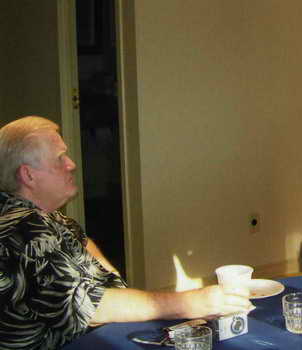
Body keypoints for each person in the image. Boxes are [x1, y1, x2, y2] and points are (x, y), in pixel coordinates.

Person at [0, 116, 251, 350]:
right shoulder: (22, 229)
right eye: (59, 158)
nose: (71, 164)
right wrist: (190, 303)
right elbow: (89, 306)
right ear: (28, 175)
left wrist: (112, 282)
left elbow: (82, 241)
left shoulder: (44, 216)